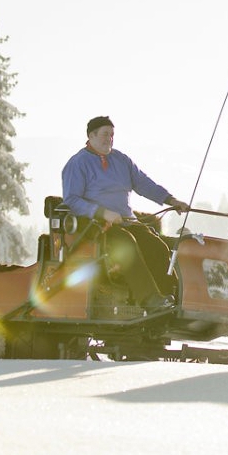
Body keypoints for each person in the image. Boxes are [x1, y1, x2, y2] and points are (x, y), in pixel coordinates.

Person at [61, 115, 190, 313]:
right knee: (126, 245)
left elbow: (143, 183)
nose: (109, 139)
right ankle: (149, 300)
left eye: (112, 135)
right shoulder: (78, 164)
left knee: (157, 245)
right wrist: (102, 213)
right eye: (105, 134)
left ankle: (169, 298)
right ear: (91, 136)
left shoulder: (121, 160)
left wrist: (171, 200)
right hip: (95, 226)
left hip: (126, 221)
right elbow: (72, 200)